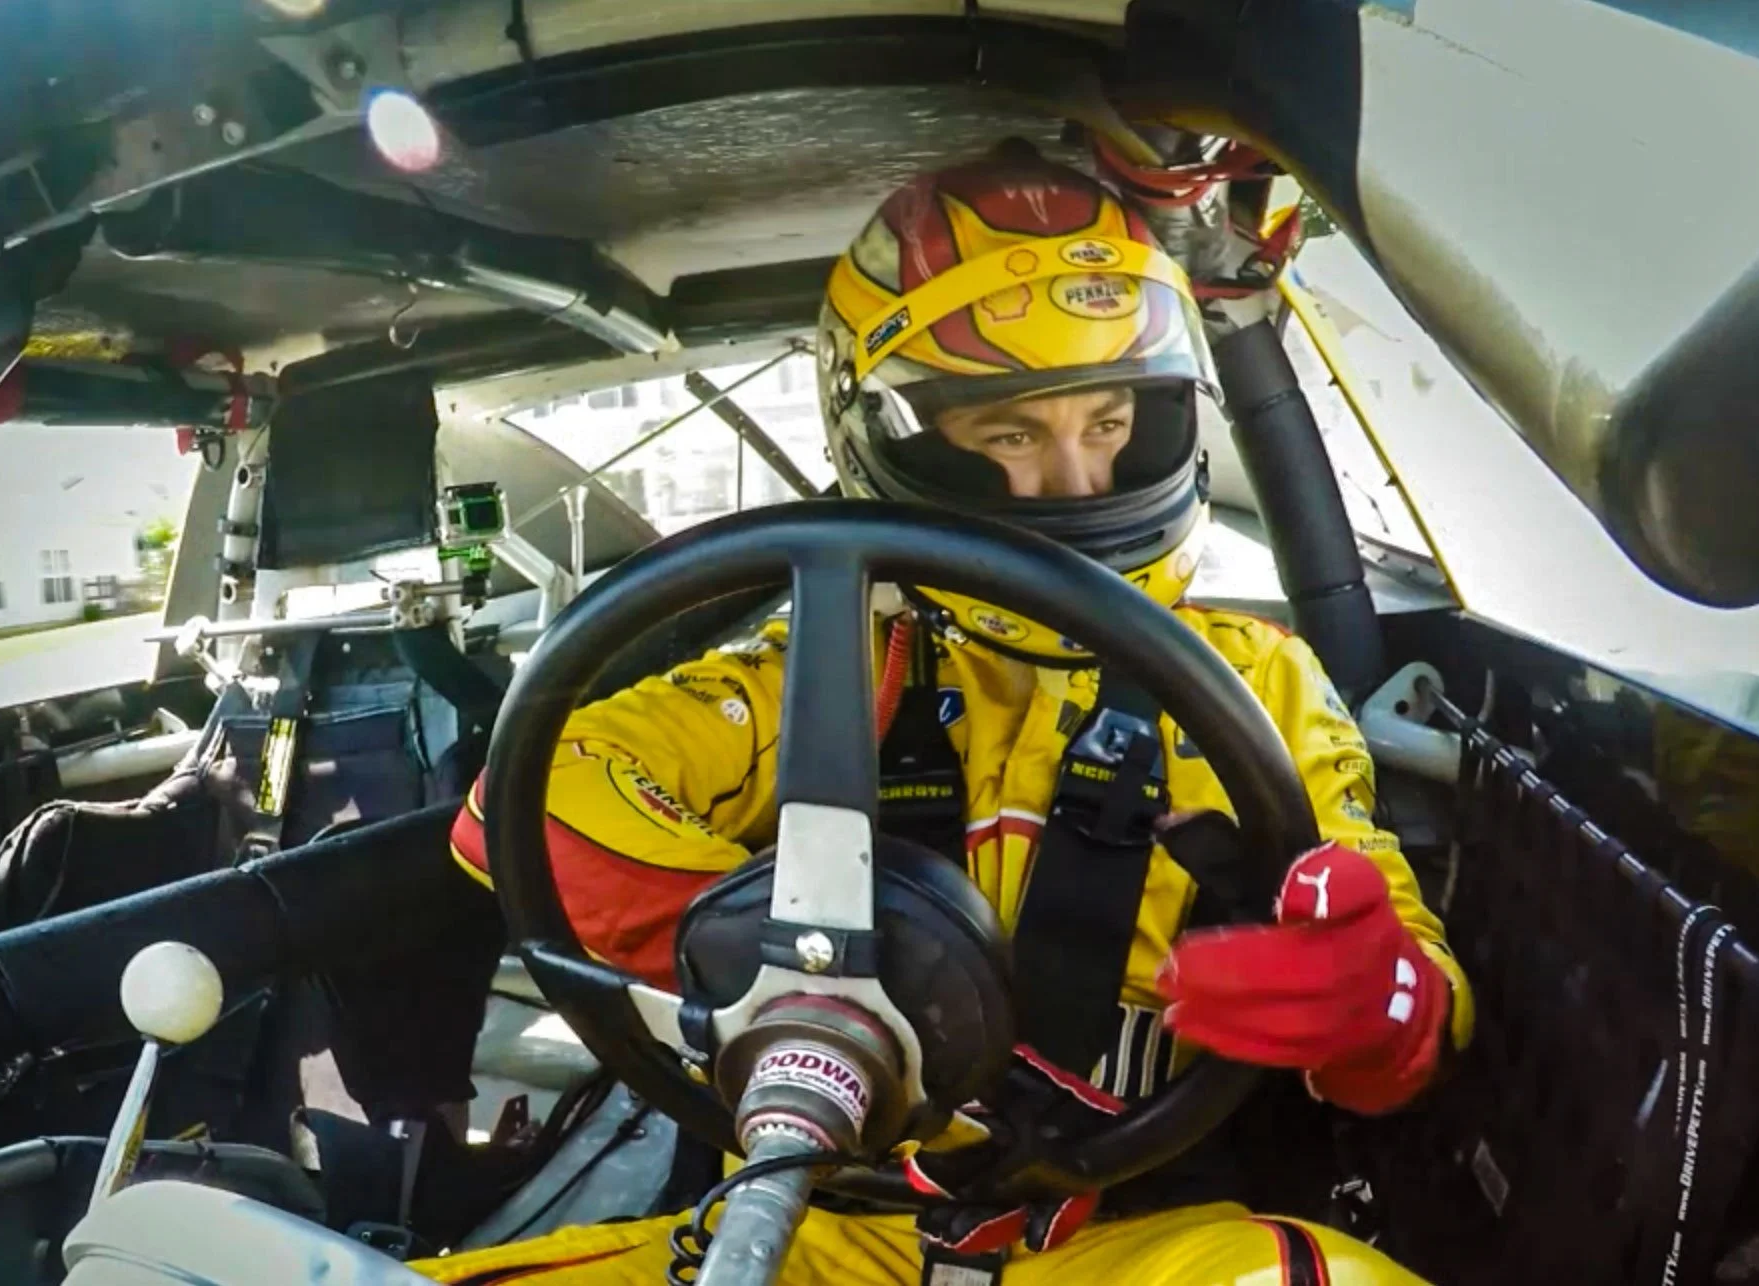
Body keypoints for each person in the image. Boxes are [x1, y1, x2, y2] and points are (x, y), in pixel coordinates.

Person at [426, 142, 1472, 1285]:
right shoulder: (831, 662)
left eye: (1109, 420)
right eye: (1011, 433)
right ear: (903, 437)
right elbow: (529, 804)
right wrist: (814, 966)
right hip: (814, 1223)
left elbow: (1405, 960)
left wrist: (1377, 1001)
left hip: (1129, 1243)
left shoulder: (1253, 679)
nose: (1076, 480)